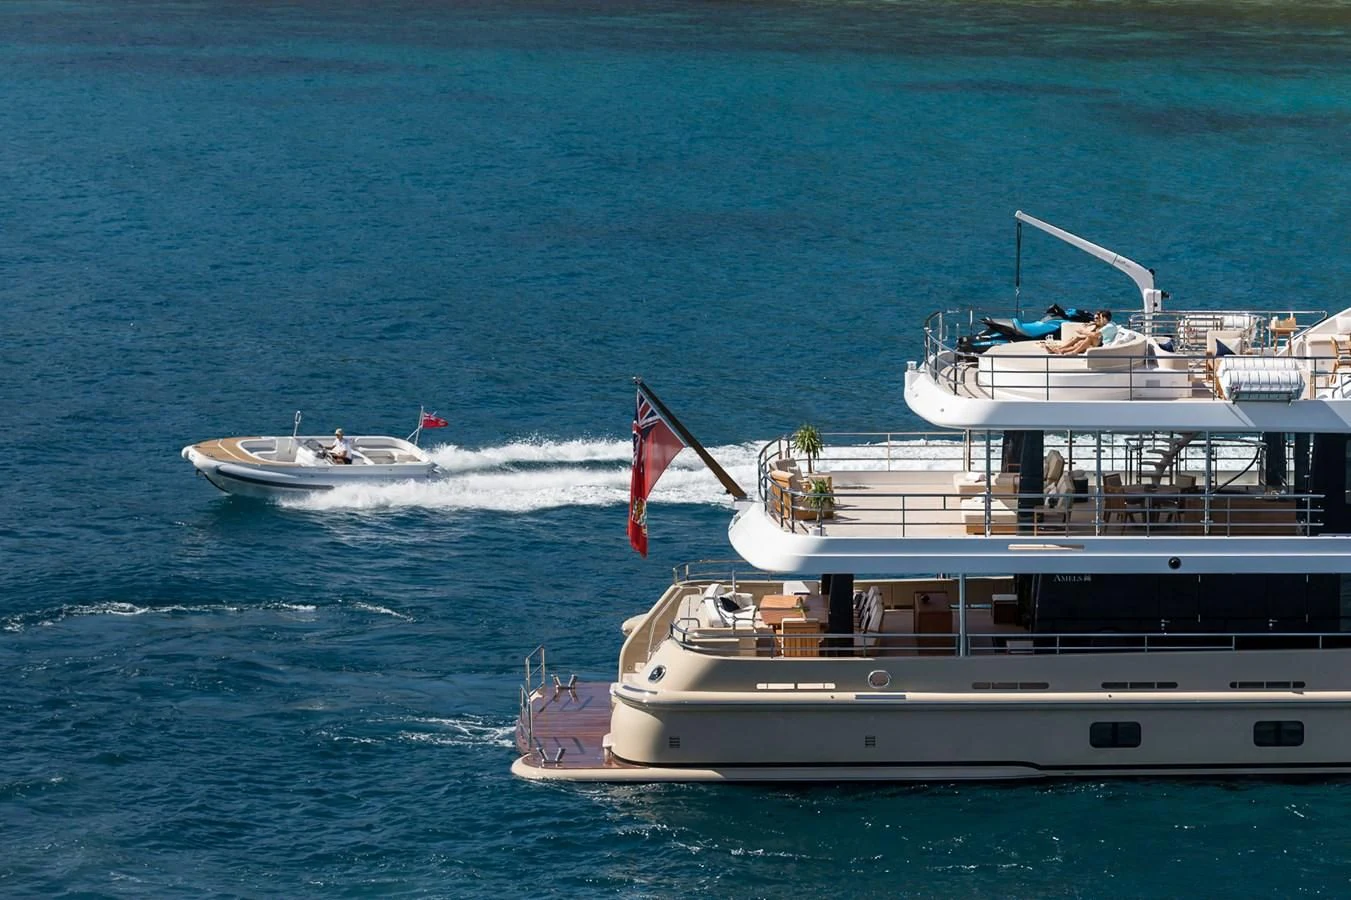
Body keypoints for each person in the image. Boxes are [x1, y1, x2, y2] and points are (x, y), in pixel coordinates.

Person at [1046, 309, 1116, 355]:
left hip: (1103, 345)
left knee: (1089, 338)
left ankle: (1071, 352)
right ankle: (1061, 350)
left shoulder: (1108, 326)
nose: (1099, 319)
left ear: (1104, 318)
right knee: (1080, 342)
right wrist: (1092, 323)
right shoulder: (1110, 323)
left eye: (1100, 318)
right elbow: (1099, 325)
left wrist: (1083, 331)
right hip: (1100, 342)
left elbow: (1095, 334)